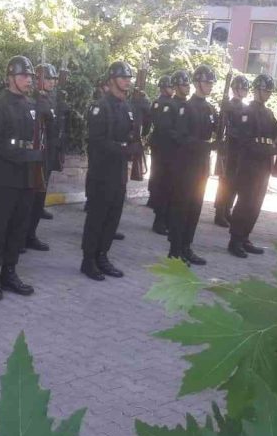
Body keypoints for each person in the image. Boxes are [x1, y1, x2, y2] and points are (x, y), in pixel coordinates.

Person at [0, 55, 40, 300]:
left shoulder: (30, 105)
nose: (28, 80)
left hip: (27, 177)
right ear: (10, 78)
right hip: (6, 176)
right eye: (23, 75)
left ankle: (10, 271)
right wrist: (24, 156)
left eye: (30, 76)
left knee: (19, 226)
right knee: (0, 226)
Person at [81, 61, 139, 280]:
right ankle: (88, 260)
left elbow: (131, 134)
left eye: (128, 77)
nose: (127, 81)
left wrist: (134, 146)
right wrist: (124, 149)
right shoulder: (100, 107)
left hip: (119, 172)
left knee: (113, 217)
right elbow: (96, 142)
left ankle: (102, 256)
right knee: (97, 217)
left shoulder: (127, 106)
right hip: (102, 172)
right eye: (123, 77)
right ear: (112, 79)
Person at [165, 66, 217, 266]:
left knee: (195, 208)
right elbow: (180, 137)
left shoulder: (210, 108)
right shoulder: (186, 107)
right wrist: (205, 145)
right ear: (197, 84)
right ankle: (175, 251)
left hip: (202, 165)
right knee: (181, 208)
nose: (210, 86)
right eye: (206, 82)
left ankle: (187, 247)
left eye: (212, 82)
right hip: (186, 166)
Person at [227, 74, 277, 258]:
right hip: (249, 163)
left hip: (263, 165)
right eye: (266, 90)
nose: (268, 94)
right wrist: (269, 151)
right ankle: (235, 239)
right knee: (245, 202)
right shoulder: (247, 112)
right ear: (256, 90)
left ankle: (245, 237)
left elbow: (274, 135)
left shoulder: (269, 113)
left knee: (256, 203)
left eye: (270, 91)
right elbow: (245, 141)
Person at [25, 63, 63, 252]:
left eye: (53, 79)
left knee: (39, 199)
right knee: (29, 199)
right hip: (34, 156)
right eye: (47, 78)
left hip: (47, 154)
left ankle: (30, 235)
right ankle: (21, 236)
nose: (51, 82)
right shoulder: (33, 99)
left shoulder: (49, 99)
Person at [213, 74, 250, 227]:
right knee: (225, 182)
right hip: (229, 148)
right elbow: (221, 127)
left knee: (235, 182)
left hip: (239, 149)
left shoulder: (245, 108)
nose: (245, 91)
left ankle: (228, 209)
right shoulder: (228, 105)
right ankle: (220, 212)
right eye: (243, 88)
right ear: (236, 89)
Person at [146, 75, 175, 233]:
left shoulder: (168, 102)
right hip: (160, 143)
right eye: (170, 87)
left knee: (158, 174)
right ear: (164, 88)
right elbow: (156, 122)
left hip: (161, 144)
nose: (172, 89)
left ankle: (154, 197)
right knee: (158, 174)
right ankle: (154, 198)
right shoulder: (161, 103)